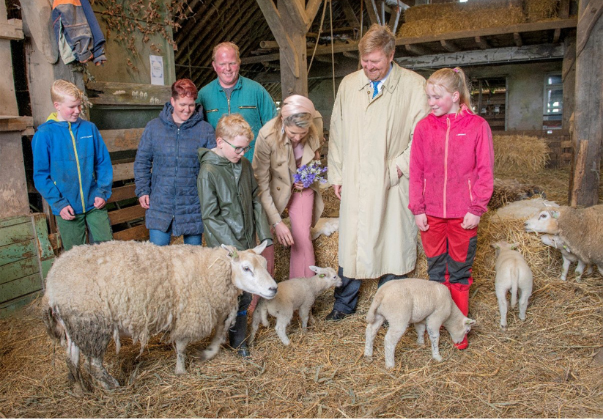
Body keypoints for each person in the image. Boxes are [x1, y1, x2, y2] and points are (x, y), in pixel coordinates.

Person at [326, 24, 430, 321]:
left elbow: (420, 138)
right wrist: (338, 174)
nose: (369, 67)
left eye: (375, 61)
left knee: (391, 242)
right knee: (352, 243)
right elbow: (337, 131)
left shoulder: (413, 86)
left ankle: (389, 307)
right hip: (356, 177)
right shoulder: (348, 84)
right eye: (364, 61)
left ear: (391, 55)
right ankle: (344, 304)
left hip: (391, 181)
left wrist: (397, 168)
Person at [409, 67, 494, 349]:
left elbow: (485, 172)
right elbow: (416, 170)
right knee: (436, 272)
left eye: (437, 96)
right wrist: (418, 208)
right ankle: (437, 325)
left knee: (458, 273)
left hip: (463, 215)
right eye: (429, 97)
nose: (431, 102)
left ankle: (459, 326)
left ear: (455, 96)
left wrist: (477, 207)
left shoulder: (477, 127)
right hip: (431, 214)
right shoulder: (423, 127)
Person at [197, 113, 273, 358]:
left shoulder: (245, 165)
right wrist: (233, 249)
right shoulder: (208, 171)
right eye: (238, 148)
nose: (242, 153)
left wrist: (263, 233)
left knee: (246, 292)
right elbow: (210, 215)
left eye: (245, 148)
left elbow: (255, 199)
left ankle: (239, 338)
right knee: (227, 292)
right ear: (220, 142)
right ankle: (224, 335)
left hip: (248, 238)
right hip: (226, 246)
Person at [32, 79, 113, 251]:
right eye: (72, 107)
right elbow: (40, 176)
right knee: (76, 256)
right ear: (57, 105)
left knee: (108, 249)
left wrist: (102, 191)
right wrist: (59, 203)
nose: (77, 111)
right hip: (67, 207)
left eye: (79, 106)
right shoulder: (44, 134)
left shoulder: (89, 129)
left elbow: (103, 163)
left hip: (95, 203)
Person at [134, 79, 215, 246]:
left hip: (192, 203)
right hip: (160, 202)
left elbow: (213, 166)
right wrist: (143, 190)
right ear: (172, 101)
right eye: (182, 104)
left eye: (191, 105)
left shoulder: (205, 130)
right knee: (157, 257)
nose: (187, 109)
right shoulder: (154, 127)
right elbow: (142, 161)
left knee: (192, 259)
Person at [252, 94, 324, 279]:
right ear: (283, 120)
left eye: (303, 133)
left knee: (302, 237)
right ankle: (261, 294)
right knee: (266, 237)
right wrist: (277, 222)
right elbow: (261, 183)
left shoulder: (315, 122)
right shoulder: (266, 136)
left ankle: (303, 295)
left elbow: (316, 155)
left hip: (302, 187)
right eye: (293, 133)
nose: (298, 138)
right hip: (274, 186)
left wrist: (308, 174)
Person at [197, 41, 276, 162]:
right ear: (214, 65)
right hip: (219, 167)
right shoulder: (203, 94)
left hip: (253, 164)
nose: (227, 68)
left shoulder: (256, 90)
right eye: (222, 64)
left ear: (239, 63)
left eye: (232, 63)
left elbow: (273, 126)